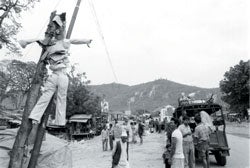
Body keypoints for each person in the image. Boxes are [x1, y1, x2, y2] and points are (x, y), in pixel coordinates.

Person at [19, 13, 92, 126]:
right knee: (48, 96)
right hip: (55, 75)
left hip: (61, 75)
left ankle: (58, 121)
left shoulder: (62, 42)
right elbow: (37, 39)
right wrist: (25, 42)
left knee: (60, 98)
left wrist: (86, 40)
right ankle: (35, 117)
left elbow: (75, 40)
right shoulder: (49, 44)